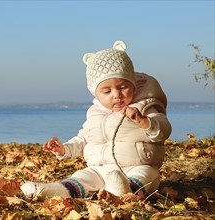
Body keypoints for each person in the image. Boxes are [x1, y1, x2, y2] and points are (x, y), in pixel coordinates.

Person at [20, 40, 172, 201]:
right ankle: (59, 191)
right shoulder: (95, 113)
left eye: (122, 87)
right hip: (100, 169)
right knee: (83, 176)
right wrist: (64, 149)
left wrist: (144, 122)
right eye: (107, 91)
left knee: (146, 175)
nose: (116, 94)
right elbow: (84, 137)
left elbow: (163, 129)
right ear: (96, 93)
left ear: (133, 84)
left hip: (138, 165)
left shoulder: (144, 106)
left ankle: (124, 191)